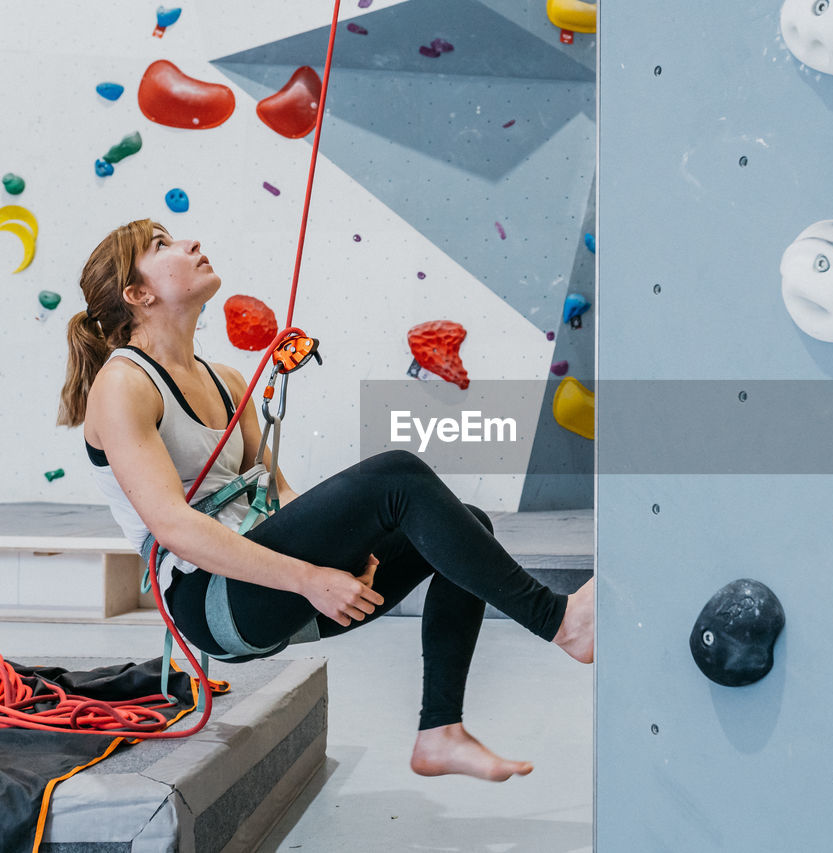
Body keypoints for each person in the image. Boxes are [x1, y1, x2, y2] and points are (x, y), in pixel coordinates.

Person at [57, 219, 594, 782]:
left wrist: (343, 550)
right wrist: (309, 578)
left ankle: (441, 731)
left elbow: (278, 494)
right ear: (137, 294)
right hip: (212, 603)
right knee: (398, 476)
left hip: (267, 589)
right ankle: (557, 621)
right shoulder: (123, 385)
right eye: (161, 246)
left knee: (469, 525)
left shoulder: (228, 380)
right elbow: (173, 527)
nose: (190, 243)